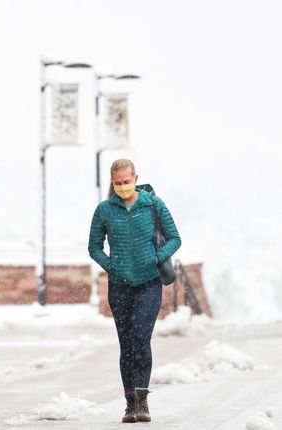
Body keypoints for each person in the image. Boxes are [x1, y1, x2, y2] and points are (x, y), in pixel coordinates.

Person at [88, 159, 181, 423]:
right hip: (119, 287)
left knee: (141, 338)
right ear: (112, 183)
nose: (123, 187)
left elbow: (175, 238)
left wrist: (156, 257)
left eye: (127, 182)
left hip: (148, 283)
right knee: (126, 345)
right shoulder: (104, 210)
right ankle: (130, 404)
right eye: (118, 183)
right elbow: (94, 246)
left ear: (135, 178)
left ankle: (143, 401)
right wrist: (111, 265)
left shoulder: (153, 205)